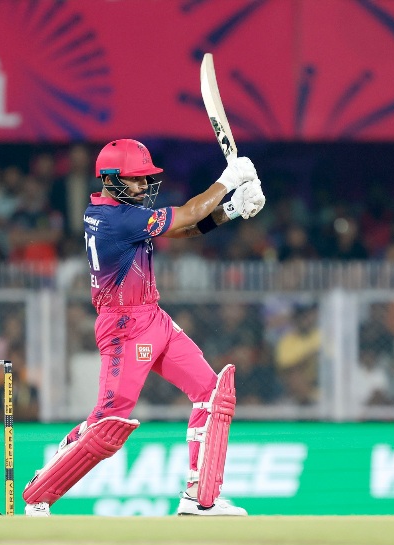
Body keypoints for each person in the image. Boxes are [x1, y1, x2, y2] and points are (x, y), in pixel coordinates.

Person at [21, 138, 265, 517]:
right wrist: (228, 181)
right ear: (110, 179)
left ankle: (200, 498)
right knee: (108, 422)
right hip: (125, 326)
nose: (142, 186)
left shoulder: (122, 213)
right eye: (134, 179)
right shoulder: (116, 219)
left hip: (153, 316)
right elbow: (188, 214)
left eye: (144, 178)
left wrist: (231, 210)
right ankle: (40, 492)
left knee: (212, 392)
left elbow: (184, 230)